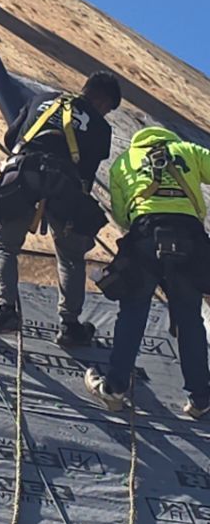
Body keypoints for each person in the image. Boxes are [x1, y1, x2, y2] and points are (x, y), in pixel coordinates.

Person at [0, 70, 120, 350]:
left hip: (23, 173)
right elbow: (87, 171)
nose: (106, 113)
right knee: (71, 256)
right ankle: (69, 326)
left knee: (5, 245)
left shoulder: (42, 100)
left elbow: (11, 137)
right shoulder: (100, 126)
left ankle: (6, 311)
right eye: (108, 108)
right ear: (102, 101)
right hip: (65, 182)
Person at [85, 125, 210, 418]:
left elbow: (120, 214)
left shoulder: (125, 161)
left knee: (133, 309)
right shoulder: (188, 151)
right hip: (190, 237)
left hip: (146, 233)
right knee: (190, 318)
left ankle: (115, 388)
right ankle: (201, 397)